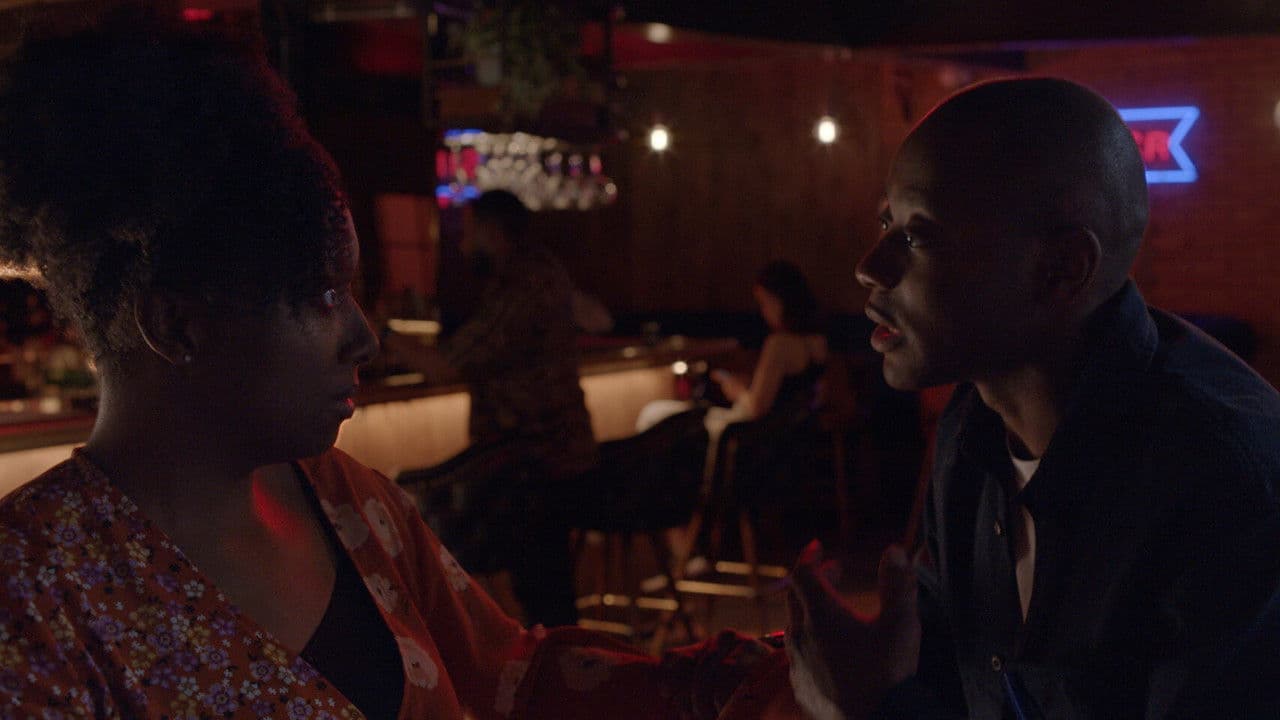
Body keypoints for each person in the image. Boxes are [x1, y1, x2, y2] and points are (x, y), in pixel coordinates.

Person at [0, 13, 802, 719]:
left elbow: (516, 681)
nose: (363, 337)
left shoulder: (350, 501)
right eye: (320, 296)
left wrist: (752, 677)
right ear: (176, 323)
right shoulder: (30, 589)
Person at [785, 77, 1280, 718]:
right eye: (886, 222)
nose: (869, 266)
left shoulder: (1226, 482)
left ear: (1061, 269)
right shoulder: (972, 428)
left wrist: (874, 706)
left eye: (917, 234)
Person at [396, 188, 596, 628]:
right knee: (547, 590)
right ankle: (535, 650)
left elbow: (447, 366)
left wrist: (380, 337)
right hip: (550, 457)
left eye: (469, 233)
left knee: (544, 594)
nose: (464, 245)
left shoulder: (523, 286)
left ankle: (516, 651)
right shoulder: (543, 272)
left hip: (532, 464)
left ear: (492, 231)